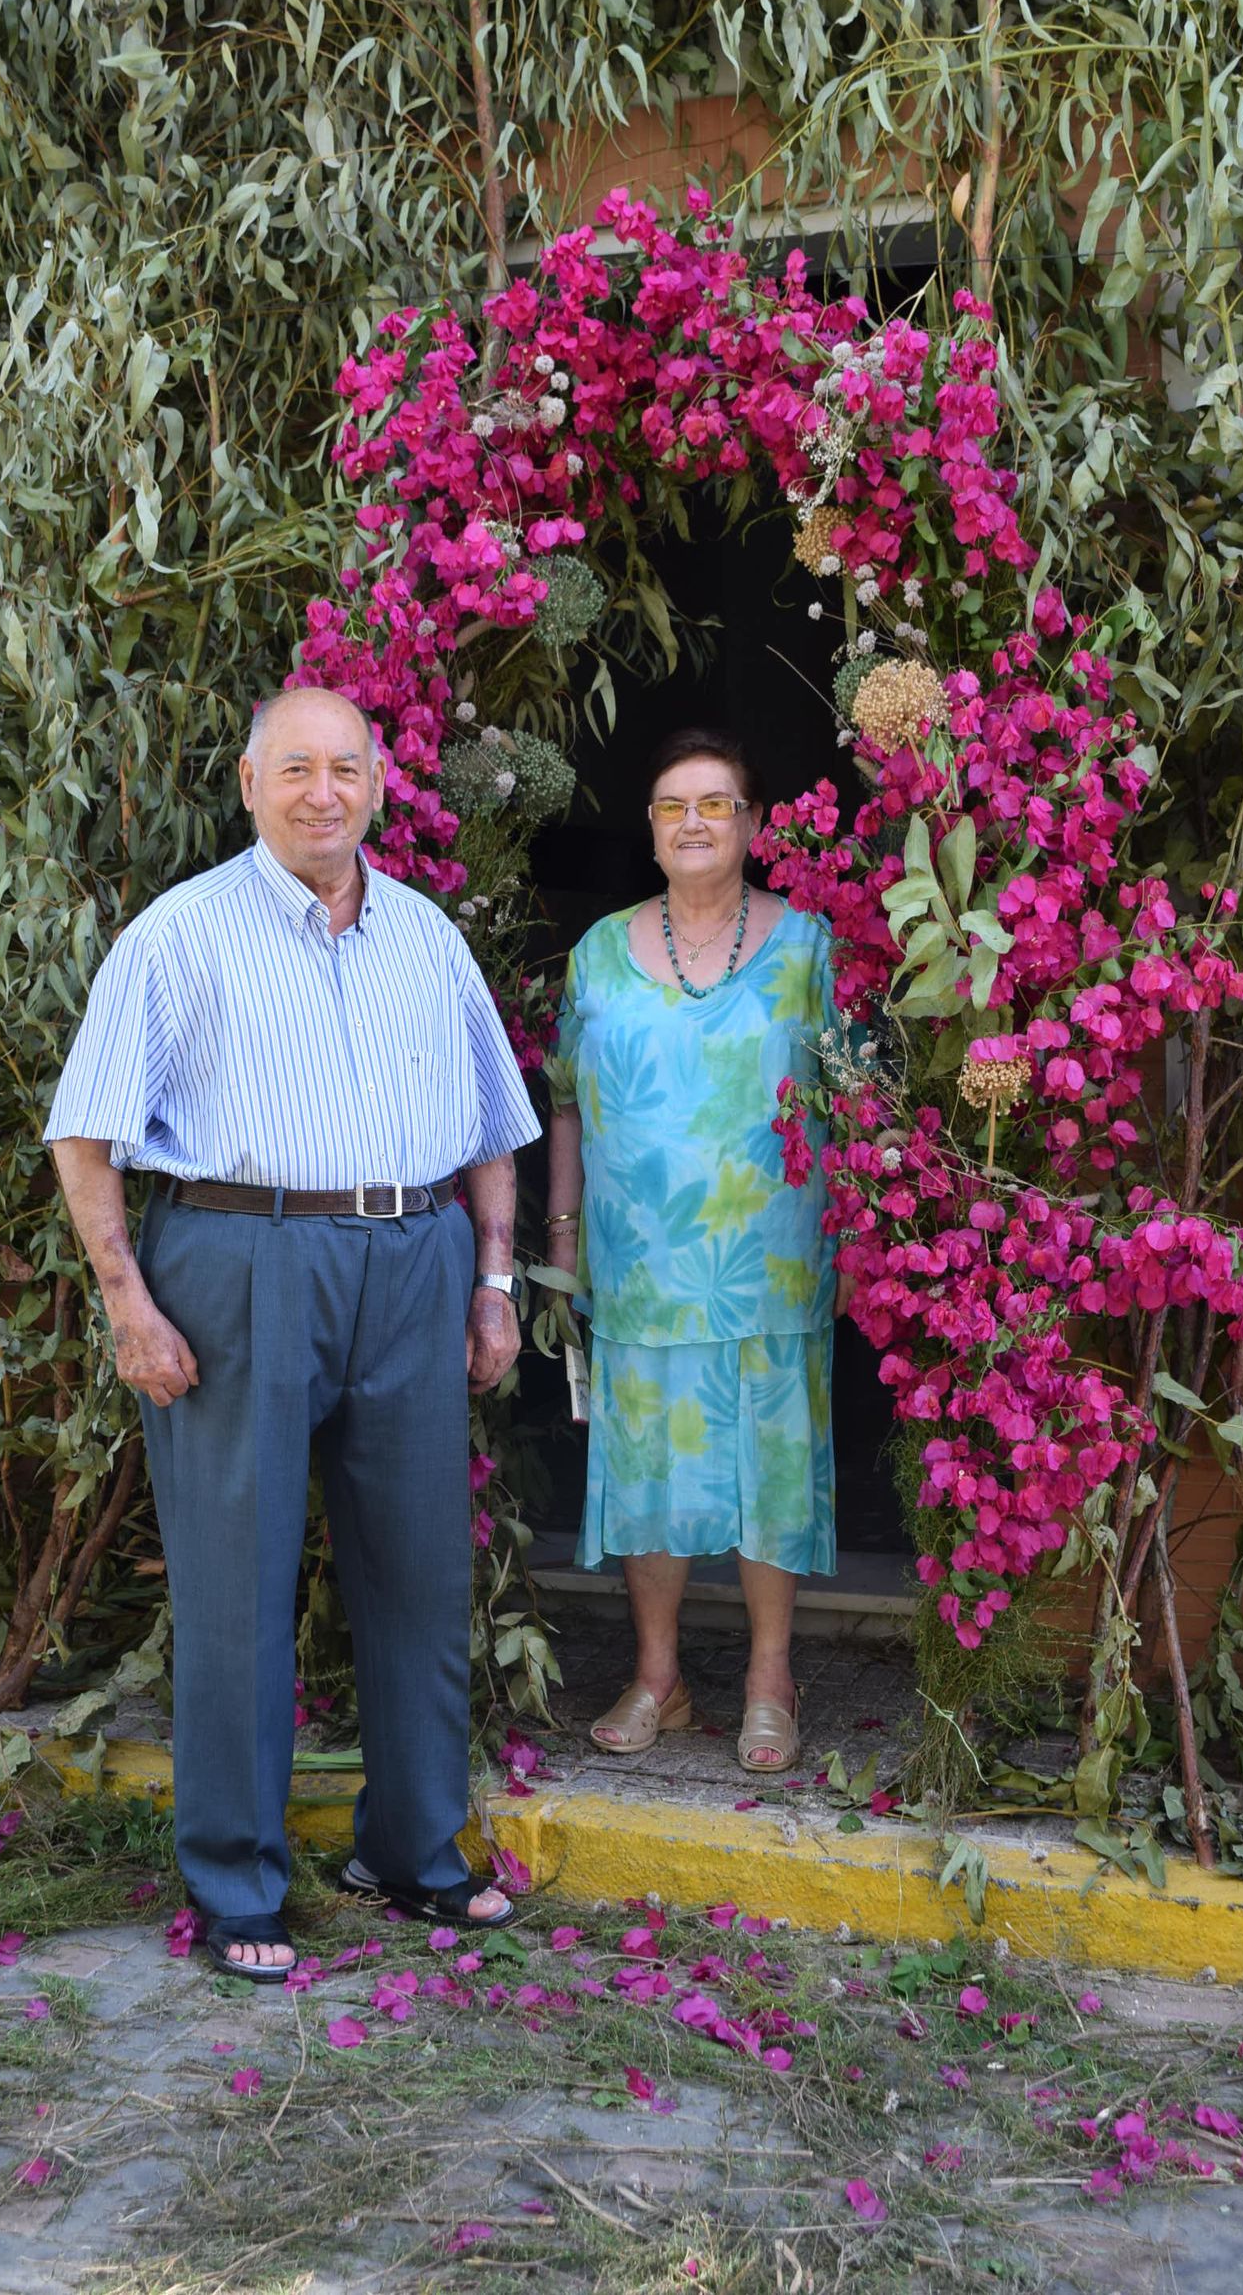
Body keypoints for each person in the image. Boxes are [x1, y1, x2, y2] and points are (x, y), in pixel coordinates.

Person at [46, 686, 540, 1981]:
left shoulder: (427, 934)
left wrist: (494, 1282)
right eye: (297, 769)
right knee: (239, 1589)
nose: (325, 792)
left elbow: (494, 1124)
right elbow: (85, 1132)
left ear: (378, 783)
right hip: (240, 1261)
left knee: (419, 1577)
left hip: (416, 1261)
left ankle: (414, 1853)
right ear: (251, 783)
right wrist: (127, 1303)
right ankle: (237, 1884)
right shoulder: (180, 933)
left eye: (347, 769)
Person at [544, 727, 847, 1775]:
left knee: (770, 1466)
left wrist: (860, 1239)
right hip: (638, 1261)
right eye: (673, 805)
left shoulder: (809, 948)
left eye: (716, 803)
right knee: (646, 1468)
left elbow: (859, 1101)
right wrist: (562, 1236)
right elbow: (566, 1104)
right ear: (650, 826)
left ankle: (769, 1679)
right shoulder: (597, 952)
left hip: (772, 1258)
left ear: (754, 823)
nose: (693, 822)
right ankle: (658, 1678)